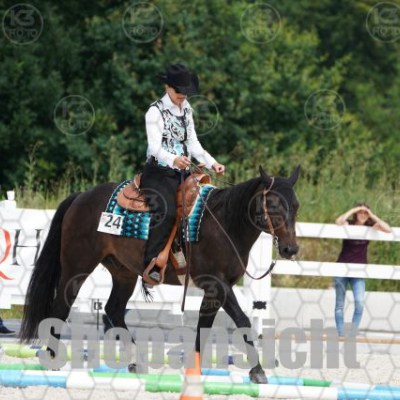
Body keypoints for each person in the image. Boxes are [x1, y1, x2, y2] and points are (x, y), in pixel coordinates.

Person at [141, 64, 225, 283]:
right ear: (167, 87)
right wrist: (174, 159)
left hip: (183, 172)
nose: (183, 96)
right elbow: (154, 148)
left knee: (203, 206)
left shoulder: (187, 109)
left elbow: (193, 143)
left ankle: (189, 256)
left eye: (186, 92)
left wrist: (212, 162)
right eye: (179, 91)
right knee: (166, 211)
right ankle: (152, 263)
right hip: (159, 172)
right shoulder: (154, 112)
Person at [334, 203, 391, 337]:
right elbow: (338, 221)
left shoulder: (370, 227)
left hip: (358, 272)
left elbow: (388, 229)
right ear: (356, 213)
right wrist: (354, 209)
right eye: (360, 212)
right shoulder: (349, 224)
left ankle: (352, 334)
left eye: (365, 213)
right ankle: (341, 334)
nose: (363, 215)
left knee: (359, 303)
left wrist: (371, 214)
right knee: (339, 305)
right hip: (341, 269)